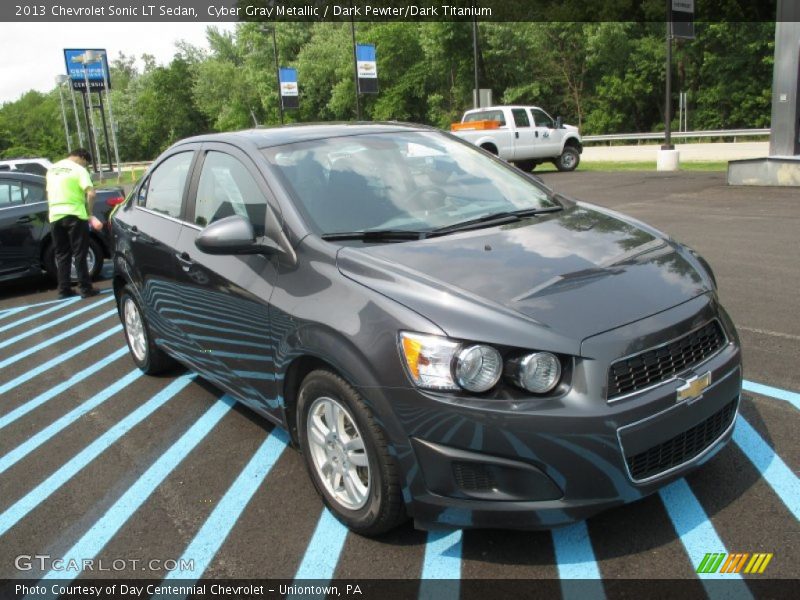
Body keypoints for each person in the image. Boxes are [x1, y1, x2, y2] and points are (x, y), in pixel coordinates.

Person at [45, 148, 103, 299]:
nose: (86, 167)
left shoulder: (51, 169)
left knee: (62, 254)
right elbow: (91, 193)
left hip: (55, 216)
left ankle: (63, 289)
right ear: (82, 158)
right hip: (75, 215)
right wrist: (89, 213)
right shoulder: (79, 170)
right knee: (80, 253)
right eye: (87, 163)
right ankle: (85, 288)